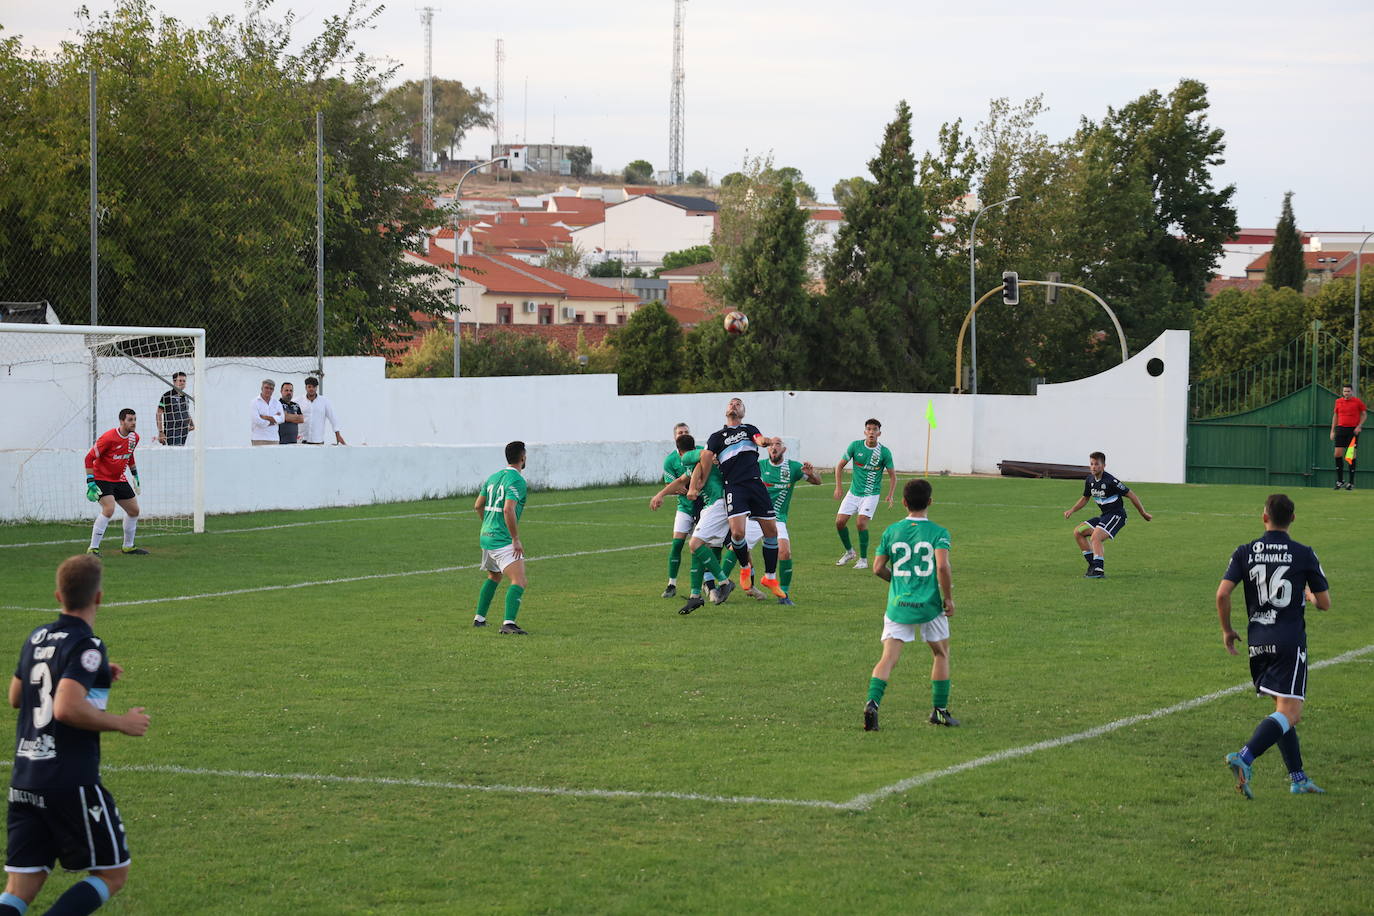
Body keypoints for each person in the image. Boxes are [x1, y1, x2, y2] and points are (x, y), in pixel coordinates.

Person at [1, 554, 150, 916]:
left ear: (58, 596)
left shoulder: (36, 636)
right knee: (113, 873)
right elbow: (66, 707)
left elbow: (16, 697)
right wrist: (121, 721)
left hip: (26, 779)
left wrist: (92, 672)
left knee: (21, 886)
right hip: (68, 779)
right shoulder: (88, 644)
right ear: (98, 597)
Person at [1216, 493, 1331, 798]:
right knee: (1291, 713)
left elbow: (1222, 595)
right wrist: (1307, 594)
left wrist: (1227, 630)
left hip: (1258, 642)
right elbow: (1325, 604)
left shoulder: (1245, 551)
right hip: (1289, 641)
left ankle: (1298, 777)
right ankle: (1245, 756)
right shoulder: (1304, 553)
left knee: (1282, 712)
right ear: (1292, 519)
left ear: (1263, 517)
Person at [863, 478, 957, 731]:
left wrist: (898, 584)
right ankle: (939, 711)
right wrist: (947, 597)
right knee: (940, 653)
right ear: (930, 502)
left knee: (888, 658)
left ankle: (872, 703)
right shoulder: (939, 532)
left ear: (903, 502)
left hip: (898, 604)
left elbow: (877, 569)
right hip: (929, 605)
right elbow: (942, 566)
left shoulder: (891, 531)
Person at [687, 398, 786, 599]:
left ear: (743, 412)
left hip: (755, 483)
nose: (734, 405)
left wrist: (763, 441)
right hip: (733, 487)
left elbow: (758, 439)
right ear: (726, 411)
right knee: (738, 534)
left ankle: (770, 577)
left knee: (771, 531)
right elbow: (704, 458)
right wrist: (698, 482)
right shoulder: (717, 437)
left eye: (738, 404)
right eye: (731, 403)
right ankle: (744, 569)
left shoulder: (748, 429)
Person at [720, 440, 821, 605]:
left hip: (777, 518)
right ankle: (721, 585)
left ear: (784, 449)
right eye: (771, 445)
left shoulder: (793, 468)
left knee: (785, 552)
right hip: (754, 516)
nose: (774, 447)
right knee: (735, 549)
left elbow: (818, 481)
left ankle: (784, 595)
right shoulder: (758, 466)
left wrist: (812, 474)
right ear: (767, 449)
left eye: (778, 444)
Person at [652, 440, 734, 614]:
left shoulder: (688, 456)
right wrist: (661, 494)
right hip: (714, 505)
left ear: (680, 452)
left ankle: (725, 582)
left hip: (717, 503)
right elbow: (681, 480)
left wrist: (699, 484)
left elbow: (705, 455)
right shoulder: (693, 464)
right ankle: (695, 596)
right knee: (697, 549)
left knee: (694, 544)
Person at [1063, 451, 1152, 579]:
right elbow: (1085, 498)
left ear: (1104, 465)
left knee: (1095, 537)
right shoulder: (1089, 480)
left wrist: (1143, 513)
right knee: (1078, 531)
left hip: (1117, 516)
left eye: (1097, 464)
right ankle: (1093, 565)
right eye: (1091, 464)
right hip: (1104, 516)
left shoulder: (1111, 481)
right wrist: (1072, 510)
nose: (1093, 467)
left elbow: (1131, 494)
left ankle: (1099, 570)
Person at [473, 441, 531, 635]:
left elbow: (478, 506)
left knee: (495, 575)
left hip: (486, 537)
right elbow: (508, 509)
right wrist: (515, 539)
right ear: (522, 458)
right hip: (502, 539)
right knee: (519, 580)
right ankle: (508, 623)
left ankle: (479, 619)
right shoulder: (517, 481)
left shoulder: (493, 477)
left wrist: (488, 524)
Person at [833, 419, 897, 570]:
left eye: (875, 430)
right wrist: (838, 487)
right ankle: (849, 552)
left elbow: (893, 476)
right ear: (865, 432)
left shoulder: (884, 452)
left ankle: (863, 559)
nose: (871, 432)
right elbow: (839, 466)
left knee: (861, 523)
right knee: (839, 522)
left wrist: (890, 494)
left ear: (879, 433)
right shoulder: (855, 446)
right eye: (869, 429)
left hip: (871, 494)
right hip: (853, 493)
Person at [84, 409, 148, 557]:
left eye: (135, 419)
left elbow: (129, 455)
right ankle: (93, 549)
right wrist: (90, 483)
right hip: (101, 478)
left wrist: (135, 475)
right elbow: (88, 458)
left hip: (119, 478)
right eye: (130, 420)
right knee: (109, 509)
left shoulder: (134, 438)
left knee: (134, 511)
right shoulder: (108, 438)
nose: (133, 423)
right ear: (121, 421)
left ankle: (128, 547)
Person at [660, 422, 695, 598]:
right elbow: (670, 484)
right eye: (680, 432)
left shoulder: (700, 452)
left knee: (704, 547)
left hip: (703, 507)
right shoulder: (670, 460)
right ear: (674, 437)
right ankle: (671, 584)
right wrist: (677, 488)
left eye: (686, 432)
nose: (682, 434)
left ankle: (707, 582)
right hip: (684, 507)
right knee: (677, 544)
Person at [1329, 383, 1365, 490]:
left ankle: (1351, 482)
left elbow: (1364, 414)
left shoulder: (1357, 401)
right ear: (1342, 392)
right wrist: (1332, 431)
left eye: (1348, 391)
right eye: (1345, 391)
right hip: (1340, 429)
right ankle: (1340, 480)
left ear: (1352, 392)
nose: (1346, 393)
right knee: (1337, 454)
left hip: (1352, 430)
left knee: (1350, 456)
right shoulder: (1338, 401)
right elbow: (1335, 415)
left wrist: (1359, 426)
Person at [299, 377, 346, 446]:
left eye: (314, 387)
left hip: (318, 442)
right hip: (301, 441)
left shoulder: (324, 401)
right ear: (305, 388)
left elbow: (332, 418)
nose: (311, 389)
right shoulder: (298, 401)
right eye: (309, 387)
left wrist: (338, 435)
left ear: (317, 388)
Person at [154, 371, 194, 446]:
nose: (182, 383)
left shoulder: (185, 397)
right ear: (174, 382)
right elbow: (159, 413)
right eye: (180, 380)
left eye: (184, 381)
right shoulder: (167, 396)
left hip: (184, 431)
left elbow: (185, 412)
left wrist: (191, 423)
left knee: (181, 453)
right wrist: (160, 432)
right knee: (173, 454)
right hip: (172, 431)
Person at [250, 379, 284, 446]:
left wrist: (265, 417)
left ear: (273, 390)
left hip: (274, 439)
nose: (268, 390)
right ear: (261, 388)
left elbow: (282, 419)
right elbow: (257, 421)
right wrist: (274, 420)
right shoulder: (254, 402)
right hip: (259, 439)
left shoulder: (277, 403)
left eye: (271, 389)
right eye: (266, 388)